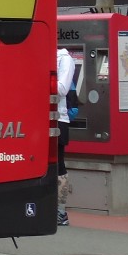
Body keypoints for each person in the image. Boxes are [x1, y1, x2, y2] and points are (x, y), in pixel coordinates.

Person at [56, 47, 74, 226]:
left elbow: (62, 88)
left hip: (58, 118)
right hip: (37, 117)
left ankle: (61, 212)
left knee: (58, 163)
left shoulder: (64, 59)